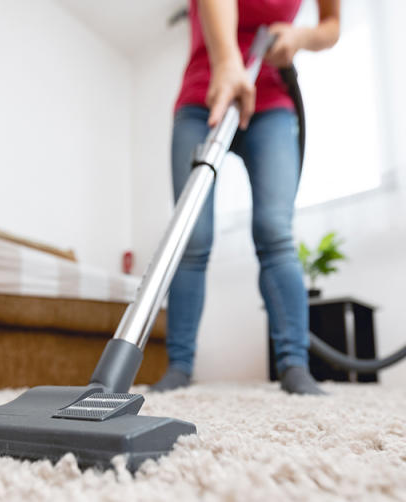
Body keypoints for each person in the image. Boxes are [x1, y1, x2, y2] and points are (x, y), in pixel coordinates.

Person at [151, 0, 341, 395]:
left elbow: (331, 24)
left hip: (272, 101)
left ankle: (294, 366)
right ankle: (179, 368)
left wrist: (300, 36)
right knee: (191, 237)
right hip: (203, 95)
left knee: (274, 231)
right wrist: (226, 62)